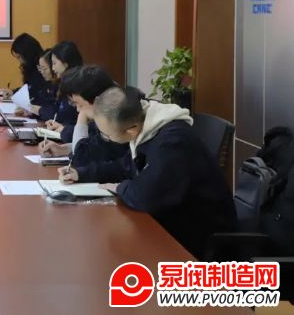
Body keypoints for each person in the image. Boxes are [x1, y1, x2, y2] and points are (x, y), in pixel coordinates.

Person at [58, 86, 236, 257]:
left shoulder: (172, 142)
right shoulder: (146, 126)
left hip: (197, 240)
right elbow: (126, 166)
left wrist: (120, 187)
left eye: (108, 136)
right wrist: (81, 173)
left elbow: (147, 196)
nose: (107, 139)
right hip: (171, 223)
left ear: (131, 130)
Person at [39, 65, 128, 168]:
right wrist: (63, 149)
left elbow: (80, 159)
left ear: (96, 101)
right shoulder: (103, 120)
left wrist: (82, 116)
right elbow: (92, 148)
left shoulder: (117, 122)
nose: (77, 109)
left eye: (79, 104)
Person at [38, 40, 82, 135]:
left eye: (54, 63)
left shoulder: (79, 85)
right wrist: (59, 125)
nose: (53, 68)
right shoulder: (62, 84)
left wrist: (64, 128)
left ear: (65, 63)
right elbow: (60, 115)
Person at [10, 33, 55, 112]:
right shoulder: (30, 67)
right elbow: (29, 88)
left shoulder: (42, 69)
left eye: (19, 57)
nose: (20, 61)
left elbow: (35, 92)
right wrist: (13, 92)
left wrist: (33, 109)